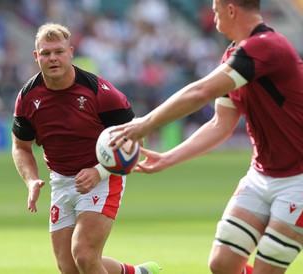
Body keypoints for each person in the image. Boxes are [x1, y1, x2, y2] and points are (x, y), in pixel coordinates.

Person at [109, 0, 303, 274]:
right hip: (261, 175)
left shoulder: (266, 46)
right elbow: (219, 125)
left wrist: (144, 124)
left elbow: (200, 92)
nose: (211, 17)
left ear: (231, 10)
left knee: (267, 269)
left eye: (215, 10)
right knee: (222, 264)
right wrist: (167, 158)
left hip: (298, 180)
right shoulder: (233, 56)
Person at [11, 23, 161, 274]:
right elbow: (20, 146)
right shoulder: (27, 97)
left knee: (84, 254)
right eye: (46, 53)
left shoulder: (101, 93)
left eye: (59, 51)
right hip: (60, 181)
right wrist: (31, 180)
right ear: (36, 57)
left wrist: (99, 172)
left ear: (71, 52)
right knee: (69, 267)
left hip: (103, 177)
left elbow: (136, 142)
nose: (53, 58)